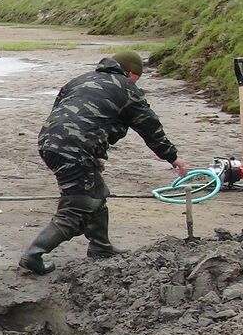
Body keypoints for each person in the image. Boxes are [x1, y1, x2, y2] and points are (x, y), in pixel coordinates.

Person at [19, 51, 189, 274]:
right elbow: (149, 127)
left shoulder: (80, 80)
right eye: (137, 77)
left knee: (97, 191)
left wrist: (93, 153)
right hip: (75, 148)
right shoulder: (127, 88)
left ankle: (101, 246)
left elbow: (67, 114)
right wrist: (172, 157)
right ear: (130, 73)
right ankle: (34, 254)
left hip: (48, 141)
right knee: (78, 206)